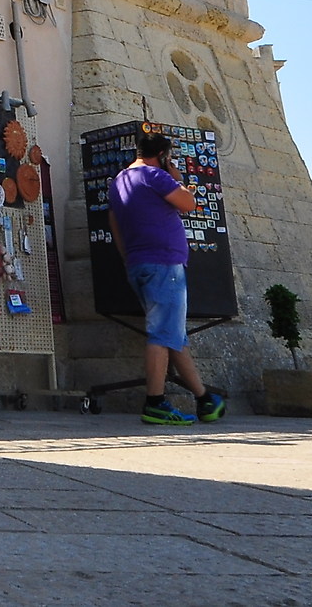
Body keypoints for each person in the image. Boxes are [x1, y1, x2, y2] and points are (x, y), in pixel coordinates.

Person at [108, 131, 225, 425]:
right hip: (164, 263)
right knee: (162, 334)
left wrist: (127, 258)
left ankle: (203, 398)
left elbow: (114, 225)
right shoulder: (155, 176)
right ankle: (155, 402)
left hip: (138, 262)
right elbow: (188, 203)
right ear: (163, 155)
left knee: (174, 335)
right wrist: (176, 176)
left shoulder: (119, 180)